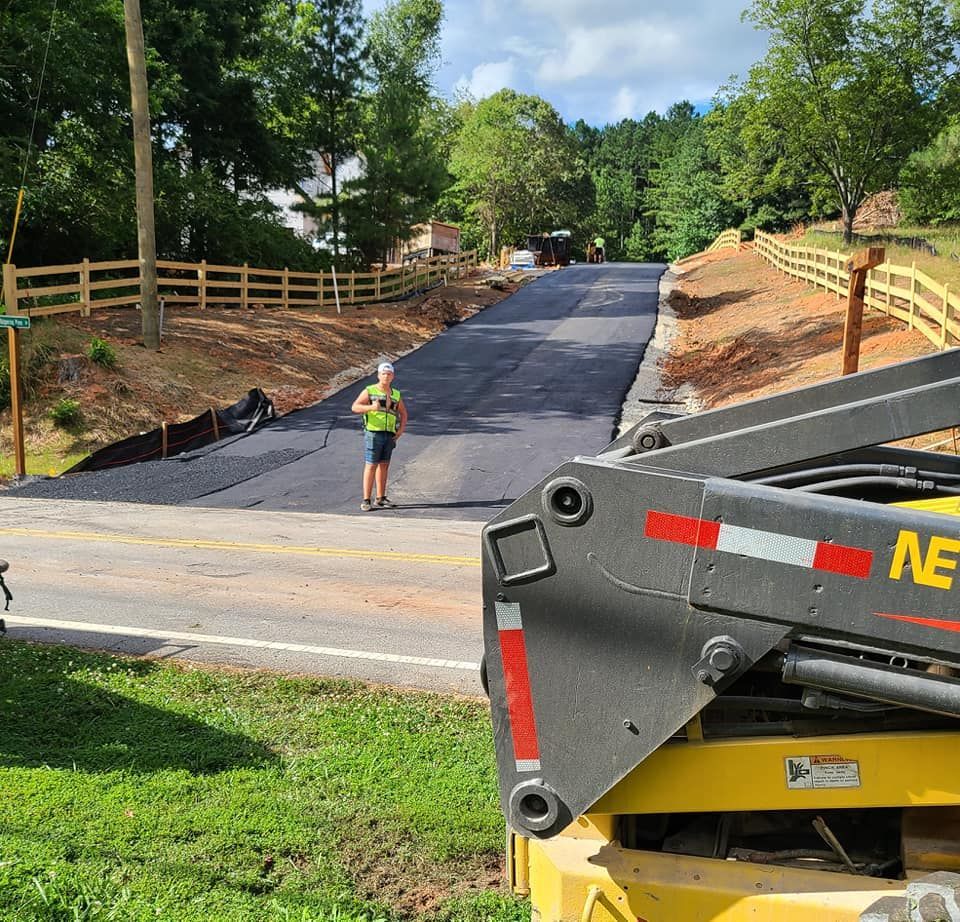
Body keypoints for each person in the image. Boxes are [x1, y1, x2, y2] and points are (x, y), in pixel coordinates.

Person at [351, 361, 407, 511]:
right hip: (373, 432)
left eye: (389, 374)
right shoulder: (369, 391)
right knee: (371, 465)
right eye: (383, 374)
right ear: (378, 375)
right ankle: (366, 499)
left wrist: (401, 429)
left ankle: (380, 498)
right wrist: (371, 407)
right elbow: (355, 407)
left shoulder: (395, 394)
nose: (386, 377)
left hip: (389, 434)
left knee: (384, 465)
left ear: (393, 376)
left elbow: (403, 413)